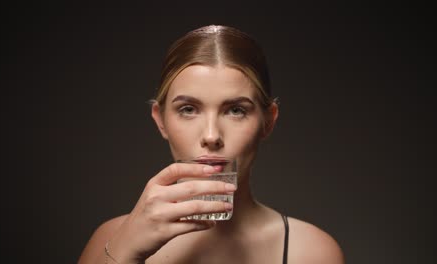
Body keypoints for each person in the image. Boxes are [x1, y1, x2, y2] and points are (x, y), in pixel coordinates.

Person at [78, 24, 345, 264]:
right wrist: (123, 255)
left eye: (236, 110)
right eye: (188, 109)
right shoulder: (112, 239)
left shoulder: (311, 252)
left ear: (268, 121)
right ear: (161, 121)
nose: (211, 135)